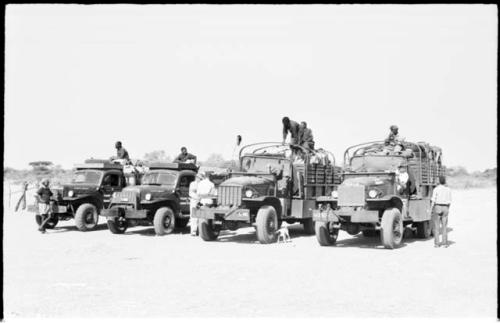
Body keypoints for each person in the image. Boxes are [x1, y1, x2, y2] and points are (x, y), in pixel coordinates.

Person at [430, 175, 452, 248]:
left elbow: (433, 200)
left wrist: (431, 208)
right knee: (444, 227)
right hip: (446, 207)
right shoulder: (448, 189)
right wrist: (447, 208)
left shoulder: (436, 189)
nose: (436, 181)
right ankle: (445, 244)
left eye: (437, 180)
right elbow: (449, 201)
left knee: (436, 227)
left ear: (439, 181)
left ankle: (436, 244)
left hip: (437, 207)